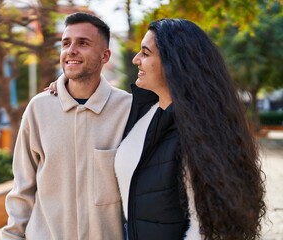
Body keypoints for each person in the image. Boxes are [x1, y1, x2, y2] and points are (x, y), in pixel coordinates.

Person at [114, 18, 266, 240]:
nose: (136, 60)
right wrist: (62, 89)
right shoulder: (145, 113)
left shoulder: (200, 133)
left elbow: (207, 230)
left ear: (173, 63)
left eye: (146, 53)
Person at [2, 12, 132, 240]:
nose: (71, 50)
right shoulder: (38, 109)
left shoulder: (128, 109)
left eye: (83, 43)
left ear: (105, 55)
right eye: (66, 43)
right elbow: (22, 188)